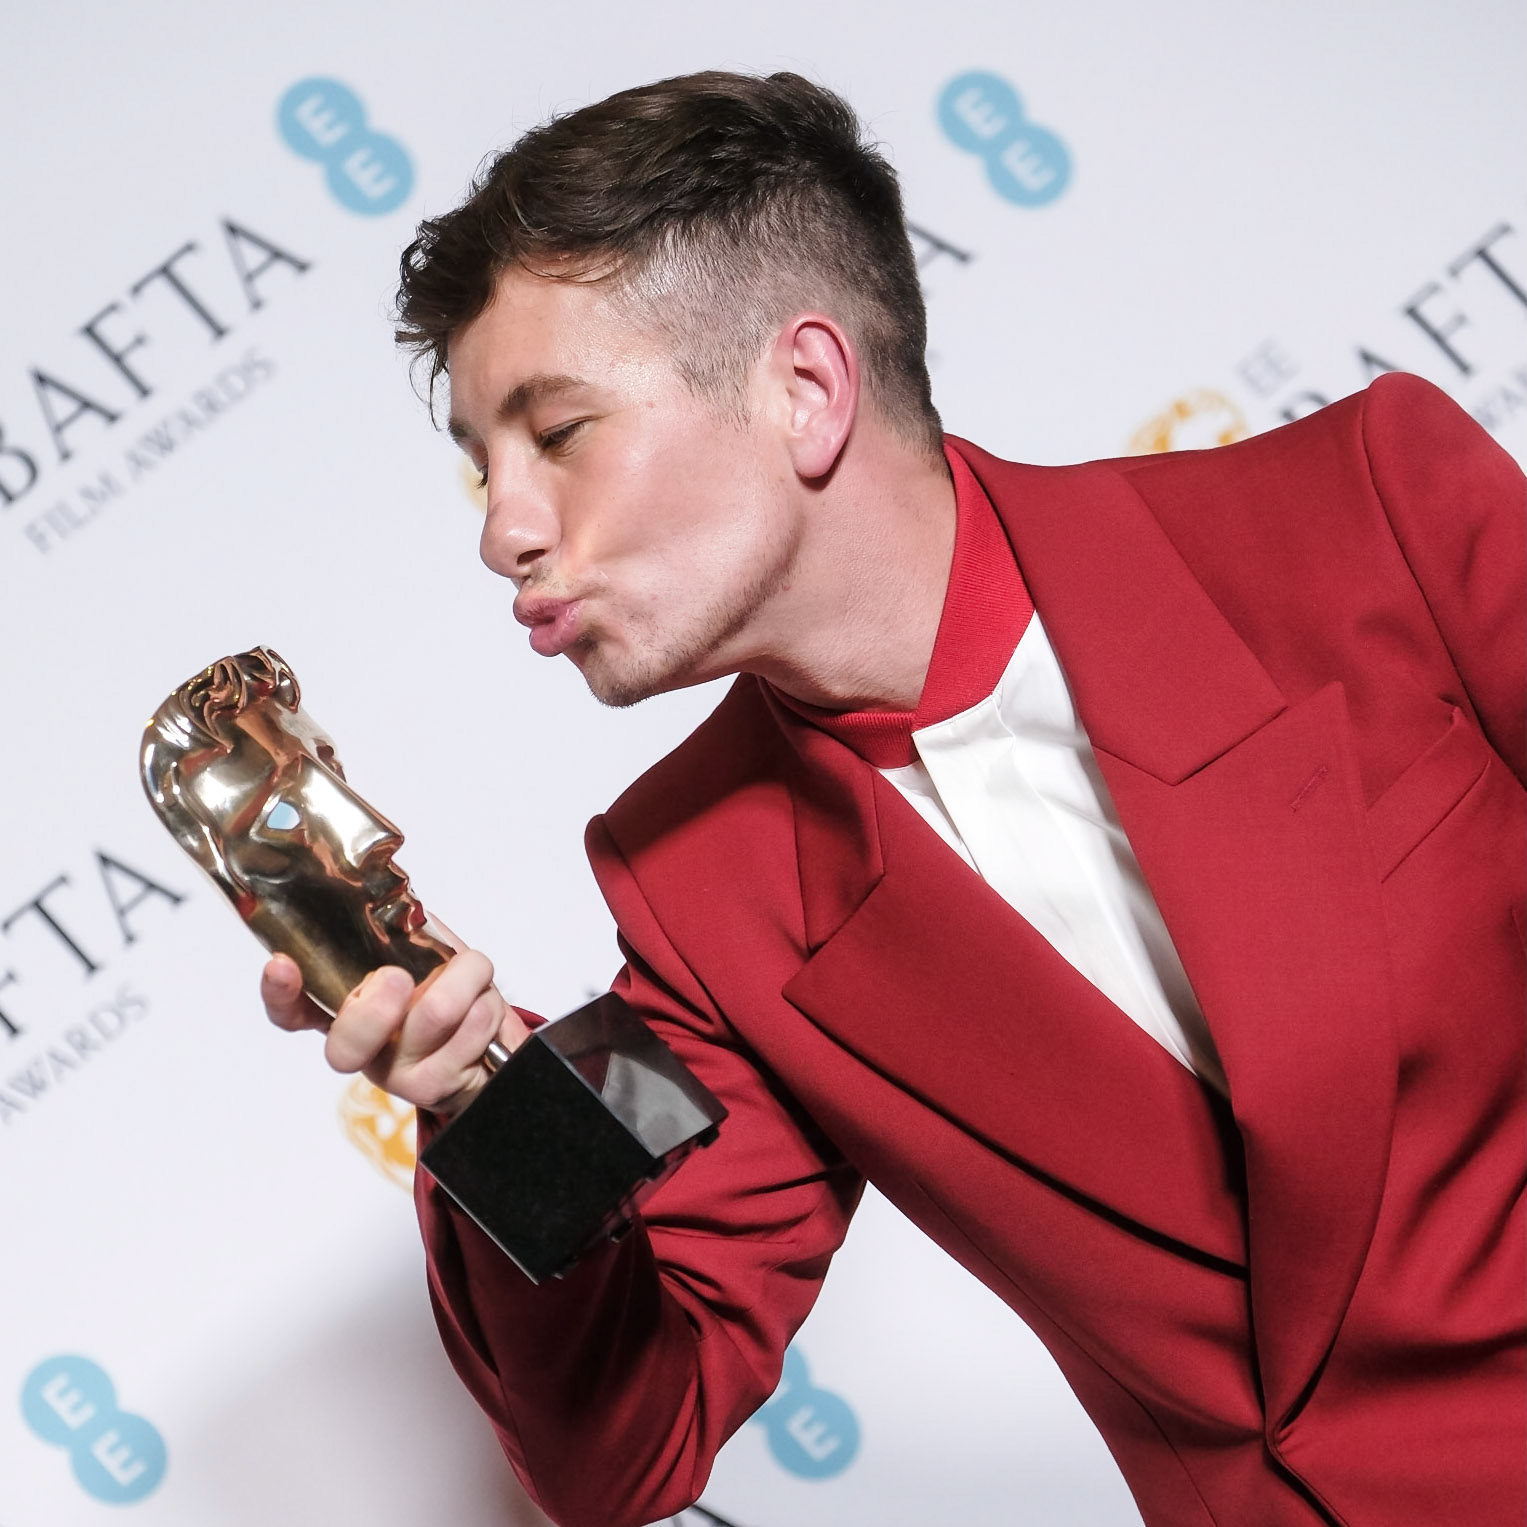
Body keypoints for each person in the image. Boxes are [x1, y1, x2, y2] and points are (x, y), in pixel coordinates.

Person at [260, 71, 1526, 1527]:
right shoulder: (698, 896)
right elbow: (626, 1444)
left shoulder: (1363, 512)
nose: (503, 530)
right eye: (480, 466)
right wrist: (488, 1101)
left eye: (556, 434)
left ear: (806, 389)